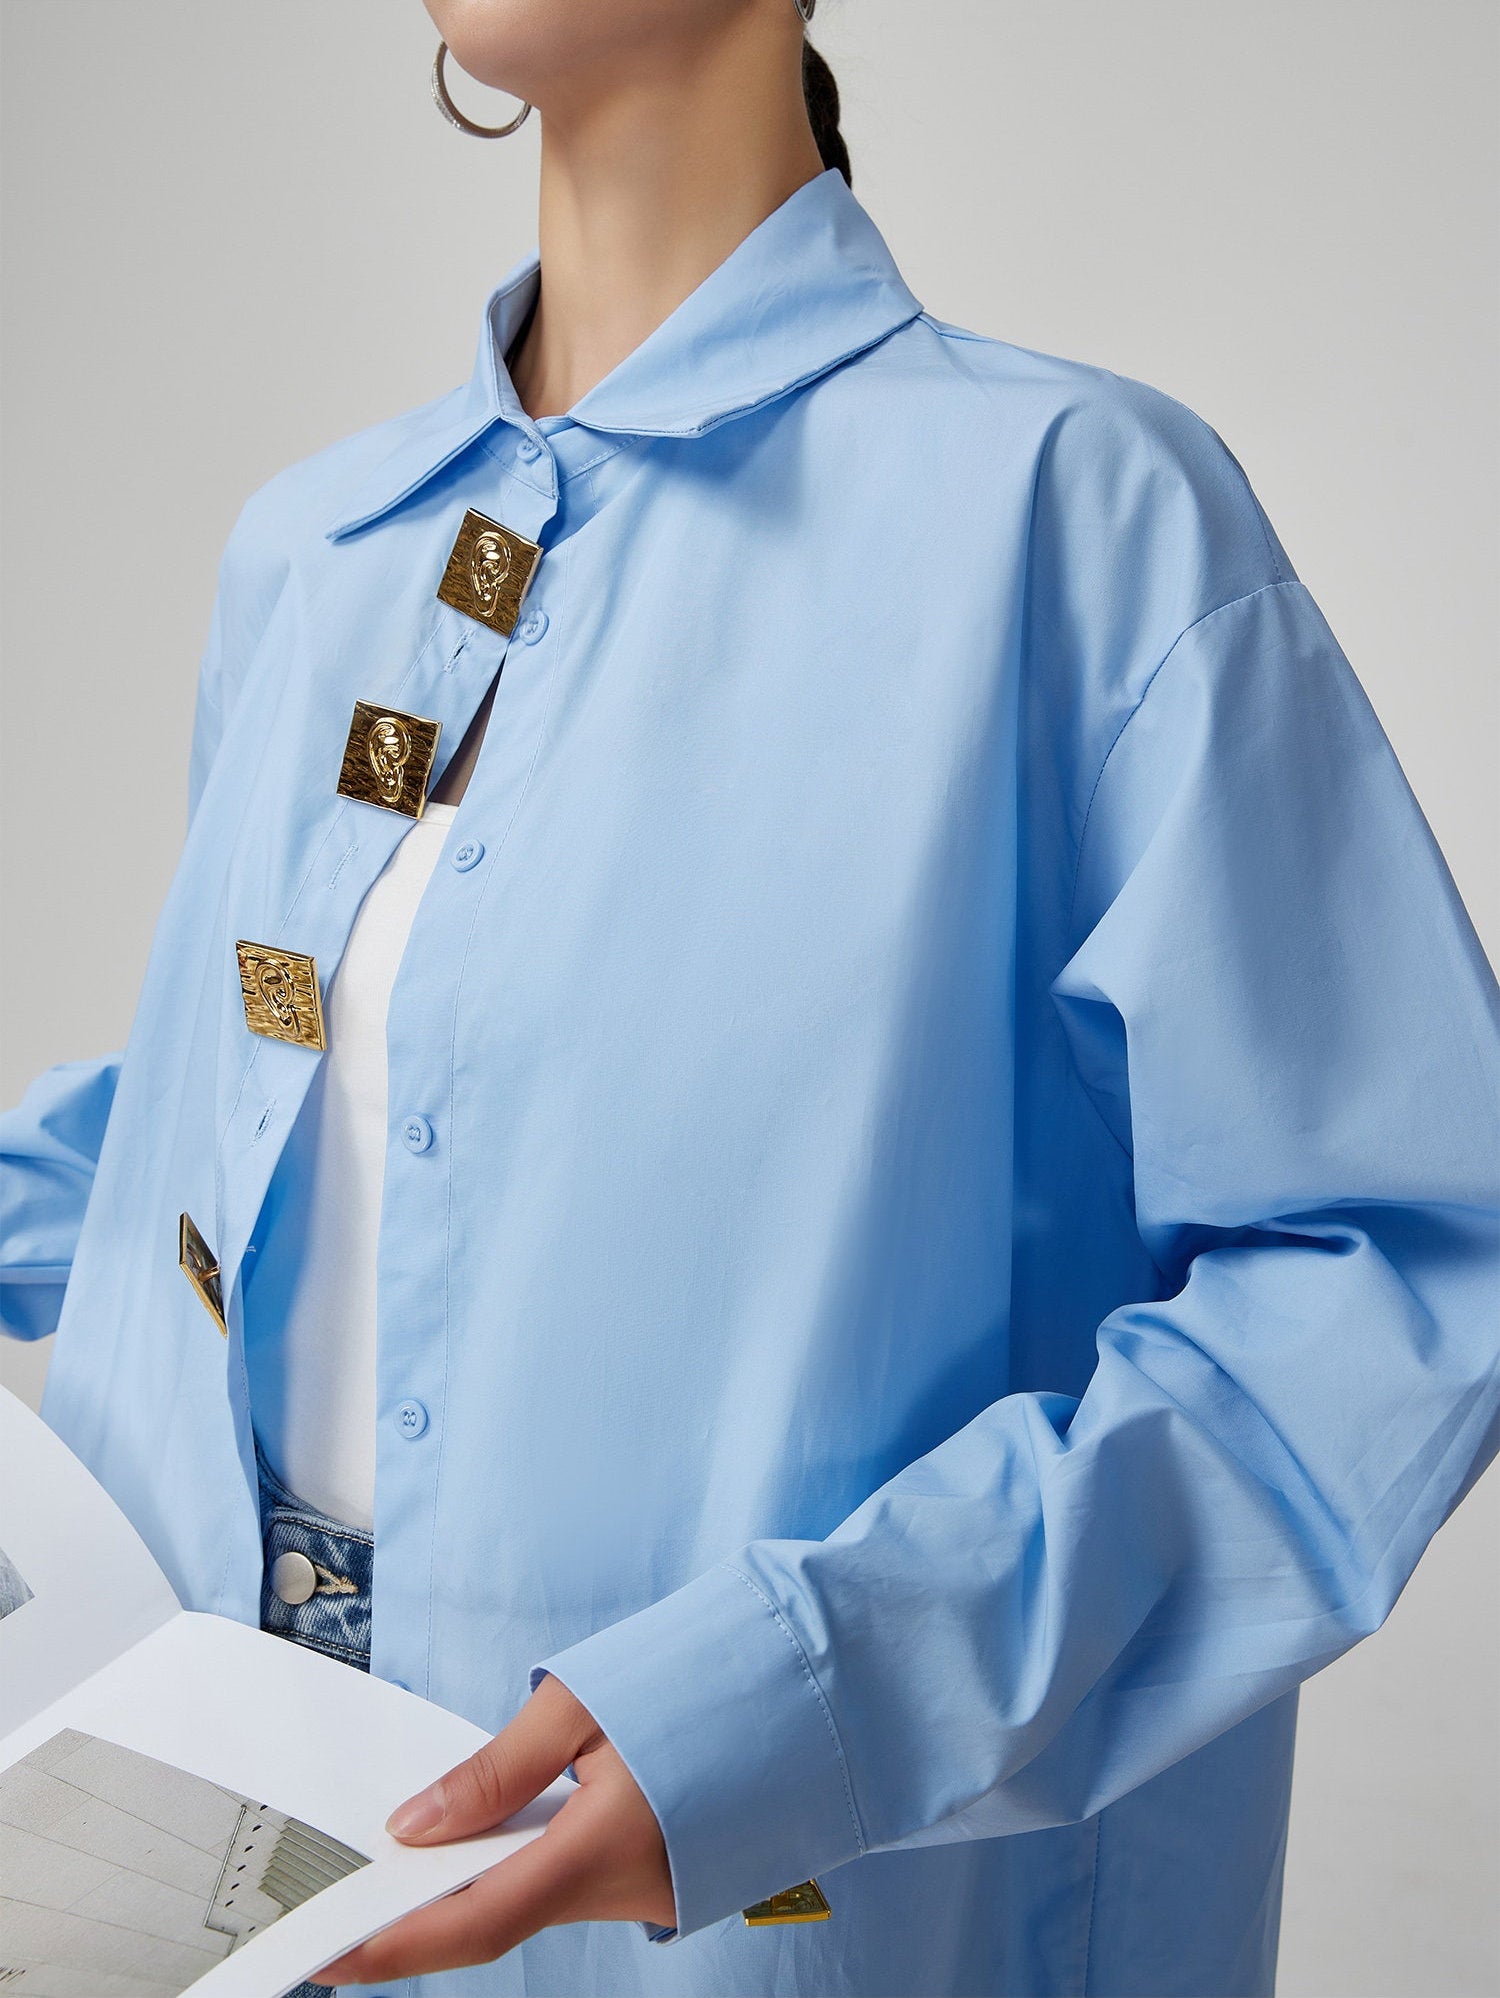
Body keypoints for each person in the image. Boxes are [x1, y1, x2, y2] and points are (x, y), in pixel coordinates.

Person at [2, 3, 1497, 1994]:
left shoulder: (1078, 517)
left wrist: (813, 1693)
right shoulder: (321, 557)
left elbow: (1390, 1265)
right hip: (211, 1849)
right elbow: (300, 1117)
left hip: (792, 1919)